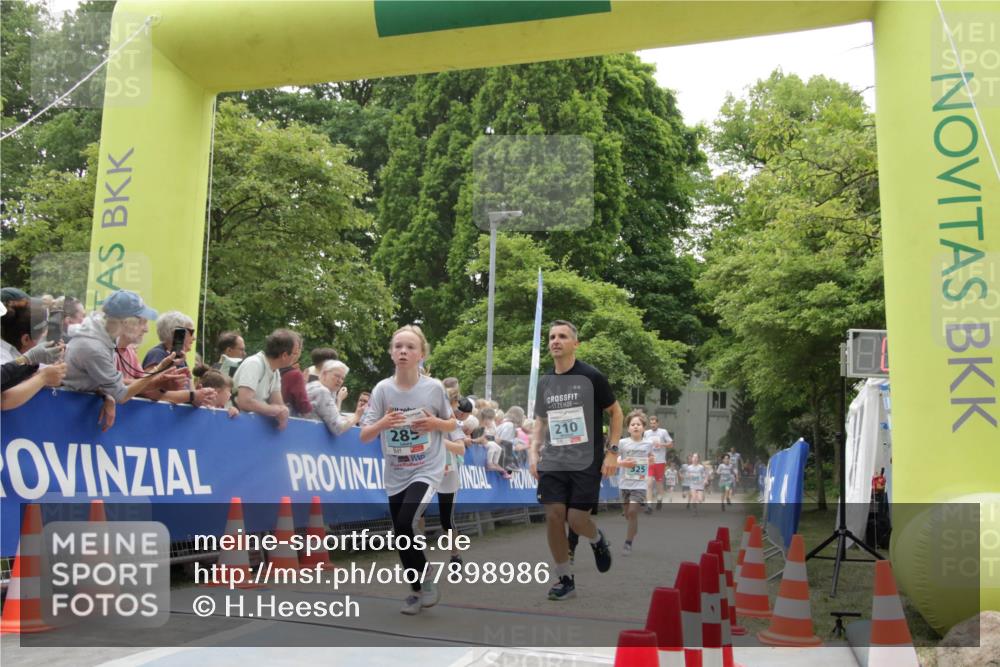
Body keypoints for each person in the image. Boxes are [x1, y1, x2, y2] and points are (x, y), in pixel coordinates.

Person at [360, 324, 455, 616]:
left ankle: (424, 582)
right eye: (398, 346)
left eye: (410, 347)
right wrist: (383, 424)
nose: (403, 351)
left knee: (404, 524)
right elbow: (365, 434)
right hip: (396, 472)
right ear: (391, 353)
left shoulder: (434, 388)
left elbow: (452, 425)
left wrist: (434, 424)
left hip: (427, 468)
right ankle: (416, 590)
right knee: (401, 533)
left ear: (421, 354)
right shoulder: (382, 390)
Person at [530, 320, 622, 601]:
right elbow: (540, 421)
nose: (555, 341)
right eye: (551, 337)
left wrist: (612, 452)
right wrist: (534, 452)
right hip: (555, 460)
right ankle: (564, 578)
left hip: (585, 460)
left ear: (575, 344)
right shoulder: (546, 381)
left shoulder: (591, 377)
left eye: (562, 336)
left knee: (577, 519)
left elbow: (616, 413)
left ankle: (596, 539)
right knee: (554, 516)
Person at [63, 289, 186, 430]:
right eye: (142, 322)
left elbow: (107, 384)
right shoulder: (95, 347)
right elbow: (122, 395)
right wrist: (158, 370)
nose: (146, 329)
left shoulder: (102, 332)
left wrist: (108, 396)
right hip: (66, 413)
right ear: (127, 322)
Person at [232, 328, 300, 430]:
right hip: (234, 423)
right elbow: (244, 402)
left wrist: (283, 412)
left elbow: (278, 404)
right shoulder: (254, 363)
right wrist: (274, 410)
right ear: (285, 355)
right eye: (295, 353)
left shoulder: (275, 371)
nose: (297, 357)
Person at [618, 410, 654, 555]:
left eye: (638, 424)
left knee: (633, 512)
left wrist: (651, 461)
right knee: (628, 515)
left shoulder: (648, 444)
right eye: (633, 424)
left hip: (639, 484)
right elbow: (614, 459)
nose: (636, 427)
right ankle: (633, 529)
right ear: (628, 428)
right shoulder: (622, 443)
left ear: (643, 427)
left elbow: (651, 459)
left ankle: (628, 543)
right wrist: (622, 463)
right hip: (624, 483)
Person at [307, 359, 368, 435]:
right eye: (337, 376)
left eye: (342, 378)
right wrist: (357, 416)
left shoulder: (313, 386)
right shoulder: (322, 391)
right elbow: (338, 427)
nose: (340, 381)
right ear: (324, 374)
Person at [643, 414, 673, 512]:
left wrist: (661, 444)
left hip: (660, 462)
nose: (652, 425)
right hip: (650, 461)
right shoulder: (646, 433)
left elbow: (671, 444)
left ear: (658, 423)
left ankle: (659, 499)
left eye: (654, 423)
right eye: (651, 423)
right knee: (649, 483)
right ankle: (649, 506)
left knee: (659, 483)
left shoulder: (663, 432)